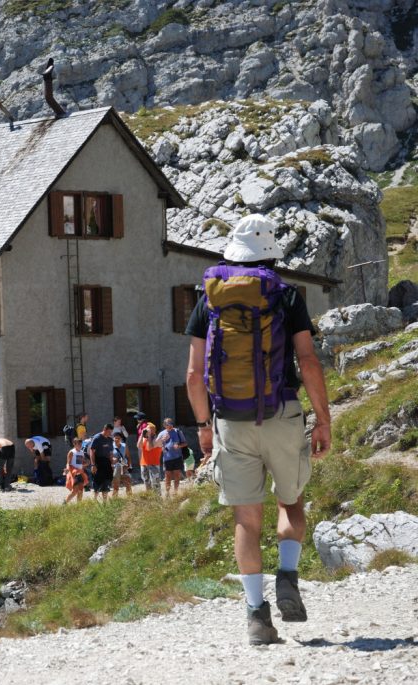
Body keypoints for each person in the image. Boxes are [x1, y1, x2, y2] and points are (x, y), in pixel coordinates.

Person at [185, 213, 331, 645]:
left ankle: (256, 616)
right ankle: (287, 576)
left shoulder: (209, 297)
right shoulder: (285, 294)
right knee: (291, 501)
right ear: (271, 255)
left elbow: (194, 374)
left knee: (246, 519)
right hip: (282, 413)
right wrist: (322, 418)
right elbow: (307, 361)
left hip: (230, 419)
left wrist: (203, 427)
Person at [155, 418, 188, 495]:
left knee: (177, 475)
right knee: (167, 476)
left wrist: (179, 445)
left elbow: (185, 443)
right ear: (164, 425)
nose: (170, 426)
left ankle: (176, 492)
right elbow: (156, 445)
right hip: (167, 458)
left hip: (177, 457)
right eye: (167, 425)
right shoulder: (161, 433)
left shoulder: (178, 431)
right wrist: (162, 440)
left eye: (171, 424)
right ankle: (167, 493)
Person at [88, 424, 114, 502]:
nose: (110, 434)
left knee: (106, 483)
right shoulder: (97, 438)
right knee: (97, 483)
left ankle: (104, 503)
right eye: (109, 432)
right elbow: (92, 451)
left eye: (111, 432)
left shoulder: (110, 439)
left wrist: (112, 463)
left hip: (107, 463)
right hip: (98, 463)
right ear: (105, 429)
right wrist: (93, 465)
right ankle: (94, 501)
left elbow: (110, 453)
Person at [137, 422, 162, 493]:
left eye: (149, 430)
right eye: (146, 430)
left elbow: (149, 447)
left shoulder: (157, 439)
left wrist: (149, 436)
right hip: (144, 464)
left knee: (155, 483)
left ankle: (157, 500)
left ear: (153, 431)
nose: (146, 431)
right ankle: (149, 499)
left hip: (153, 464)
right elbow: (139, 446)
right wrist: (142, 435)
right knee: (146, 483)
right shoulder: (145, 439)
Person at [64, 437, 88, 504]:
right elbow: (68, 463)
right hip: (74, 473)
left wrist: (86, 463)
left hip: (80, 472)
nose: (80, 445)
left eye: (81, 444)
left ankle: (79, 505)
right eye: (78, 444)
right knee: (75, 491)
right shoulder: (72, 452)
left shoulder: (82, 452)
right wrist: (67, 469)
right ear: (74, 444)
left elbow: (82, 463)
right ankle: (65, 502)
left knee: (81, 490)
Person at [111, 432, 132, 496]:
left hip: (123, 467)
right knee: (115, 485)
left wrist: (128, 465)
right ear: (113, 438)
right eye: (115, 438)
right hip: (115, 468)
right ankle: (114, 500)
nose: (117, 439)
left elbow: (128, 456)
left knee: (128, 483)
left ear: (121, 439)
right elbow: (108, 457)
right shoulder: (111, 446)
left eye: (118, 438)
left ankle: (130, 499)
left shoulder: (124, 446)